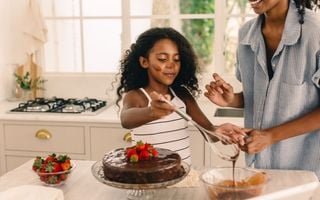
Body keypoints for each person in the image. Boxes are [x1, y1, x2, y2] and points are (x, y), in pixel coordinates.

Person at [205, 0, 320, 177]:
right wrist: (232, 100)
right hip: (258, 168)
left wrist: (271, 136)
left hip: (306, 171)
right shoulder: (246, 35)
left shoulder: (315, 32)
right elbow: (265, 96)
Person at [115, 27, 246, 165]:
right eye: (162, 58)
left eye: (176, 60)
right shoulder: (137, 96)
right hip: (147, 180)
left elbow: (208, 131)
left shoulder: (182, 95)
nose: (171, 65)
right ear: (144, 62)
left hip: (182, 176)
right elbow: (126, 119)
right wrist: (152, 112)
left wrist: (219, 131)